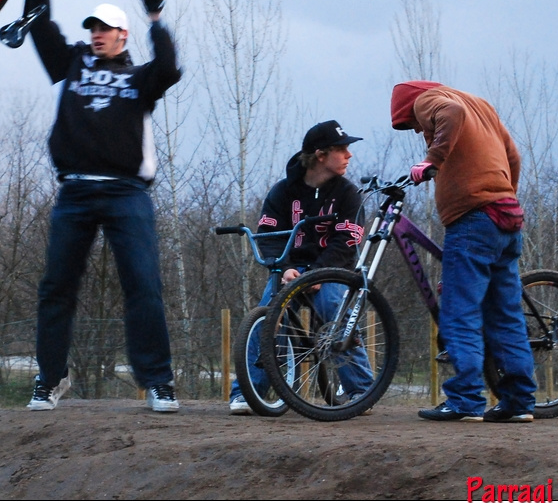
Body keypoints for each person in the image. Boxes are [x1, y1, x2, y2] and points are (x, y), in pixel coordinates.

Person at [22, 0, 182, 413]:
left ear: (122, 35)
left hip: (127, 193)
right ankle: (50, 378)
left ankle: (158, 380)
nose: (96, 34)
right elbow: (40, 26)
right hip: (74, 191)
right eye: (92, 27)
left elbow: (168, 66)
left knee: (143, 283)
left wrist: (155, 18)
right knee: (56, 287)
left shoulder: (141, 77)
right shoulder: (72, 63)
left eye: (105, 29)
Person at [390, 80, 536, 423]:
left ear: (409, 106)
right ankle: (519, 402)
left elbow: (450, 114)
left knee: (460, 311)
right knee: (505, 314)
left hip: (472, 220)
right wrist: (504, 194)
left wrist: (431, 160)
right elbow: (513, 155)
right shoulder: (481, 104)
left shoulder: (430, 100)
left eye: (410, 124)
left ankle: (466, 400)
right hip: (506, 215)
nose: (415, 129)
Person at [228, 120, 370, 414]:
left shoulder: (348, 193)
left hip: (332, 271)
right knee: (268, 313)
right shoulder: (282, 192)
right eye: (342, 149)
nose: (349, 155)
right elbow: (268, 236)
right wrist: (284, 268)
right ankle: (247, 392)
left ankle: (360, 390)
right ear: (320, 155)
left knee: (334, 305)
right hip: (290, 270)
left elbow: (348, 239)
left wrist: (318, 272)